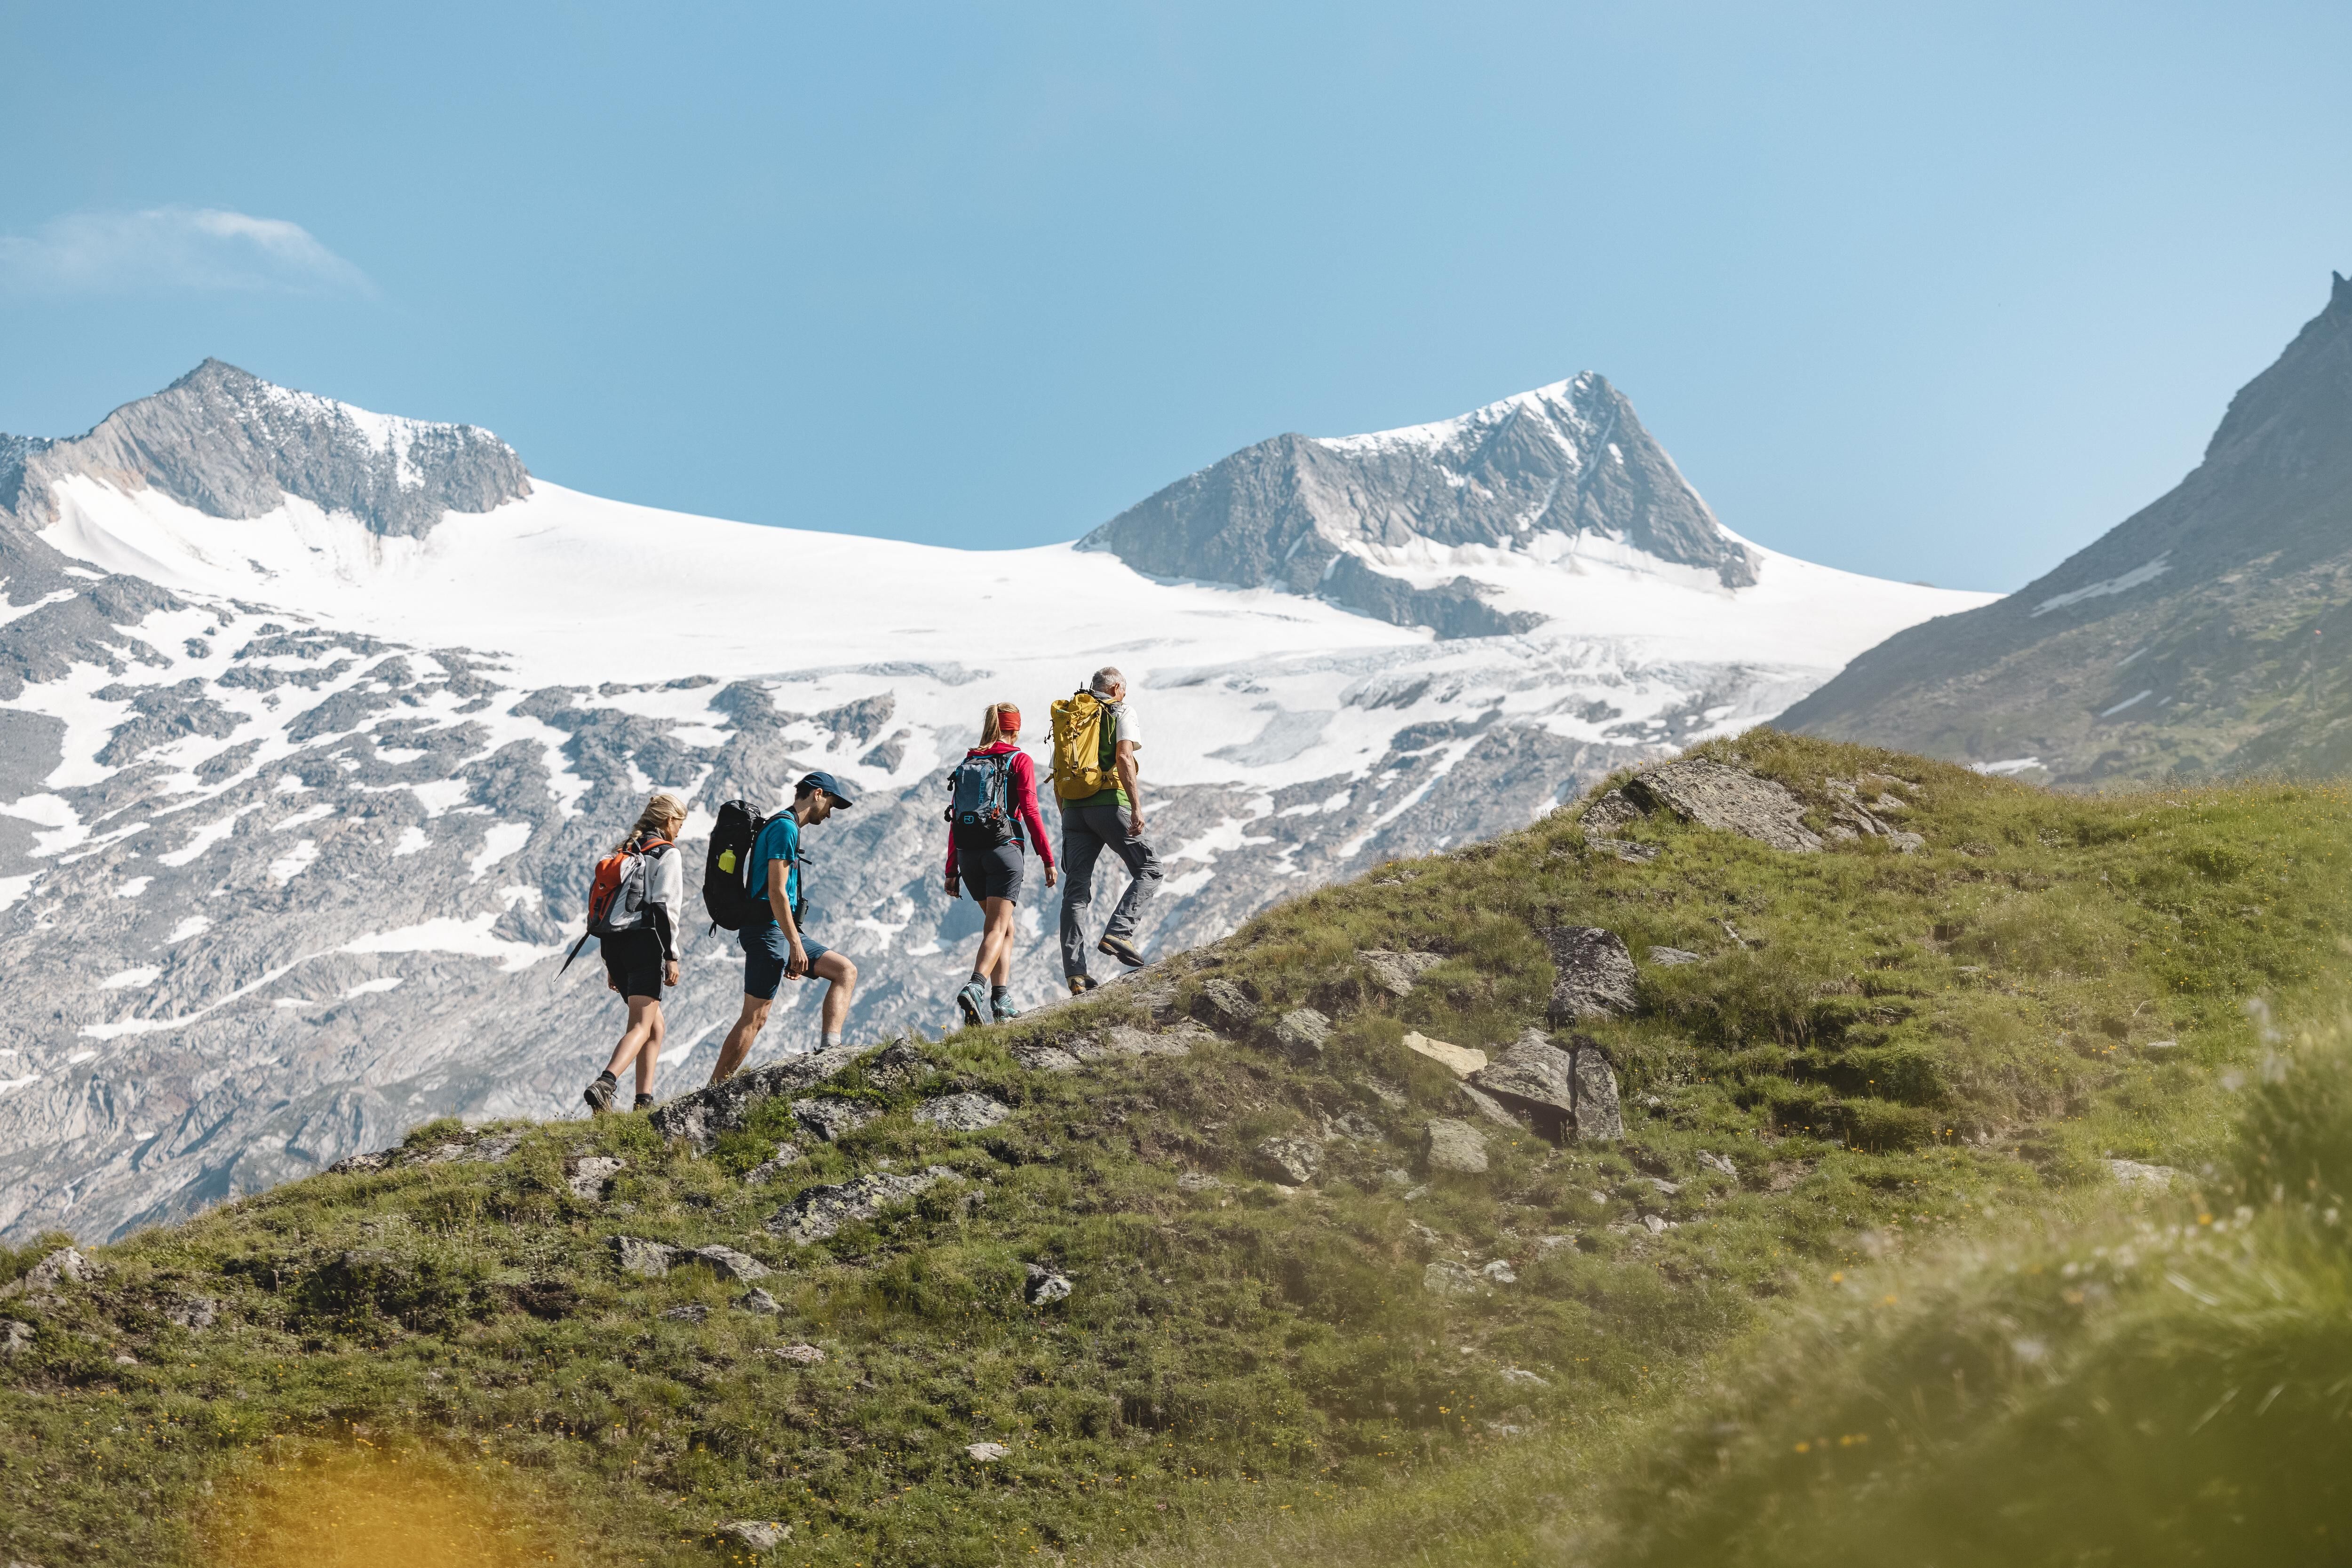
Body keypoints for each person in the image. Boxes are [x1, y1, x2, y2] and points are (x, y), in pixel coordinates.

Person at [706, 771, 860, 1081]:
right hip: (765, 931)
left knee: (845, 971)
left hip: (778, 930)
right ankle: (714, 1089)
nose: (830, 814)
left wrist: (792, 941)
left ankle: (830, 1050)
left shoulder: (784, 826)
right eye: (831, 804)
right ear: (817, 794)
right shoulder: (784, 828)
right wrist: (795, 944)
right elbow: (776, 891)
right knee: (755, 1017)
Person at [943, 700, 1057, 1026]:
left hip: (969, 856)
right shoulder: (1019, 760)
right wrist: (1047, 857)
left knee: (1005, 927)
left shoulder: (969, 762)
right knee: (997, 927)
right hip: (1003, 851)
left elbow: (955, 818)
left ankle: (1001, 1000)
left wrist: (952, 869)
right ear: (1015, 729)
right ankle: (976, 986)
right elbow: (1031, 811)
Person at [1056, 665, 1162, 993]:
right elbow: (1124, 758)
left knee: (1076, 892)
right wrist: (1136, 807)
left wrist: (1068, 816)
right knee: (1150, 868)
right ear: (1116, 688)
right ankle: (1120, 932)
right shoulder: (1121, 711)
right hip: (1110, 803)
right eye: (1124, 690)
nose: (1125, 695)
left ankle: (1076, 974)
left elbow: (1058, 774)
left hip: (1073, 810)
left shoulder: (1069, 717)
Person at [581, 792, 686, 1114]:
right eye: (680, 824)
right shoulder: (667, 853)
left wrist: (610, 965)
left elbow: (607, 911)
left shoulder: (623, 852)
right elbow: (664, 907)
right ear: (669, 820)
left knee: (655, 1026)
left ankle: (644, 1101)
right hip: (644, 945)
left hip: (613, 947)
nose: (680, 831)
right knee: (641, 1025)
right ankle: (606, 1084)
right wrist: (671, 956)